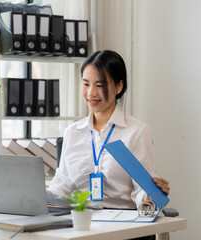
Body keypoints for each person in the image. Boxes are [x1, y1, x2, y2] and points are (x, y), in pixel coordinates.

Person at [48, 50, 169, 211]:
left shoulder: (137, 131)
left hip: (122, 224)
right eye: (86, 84)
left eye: (100, 85)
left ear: (119, 86)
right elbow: (62, 185)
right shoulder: (73, 132)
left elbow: (141, 190)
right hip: (82, 222)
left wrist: (151, 195)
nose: (91, 93)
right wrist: (36, 197)